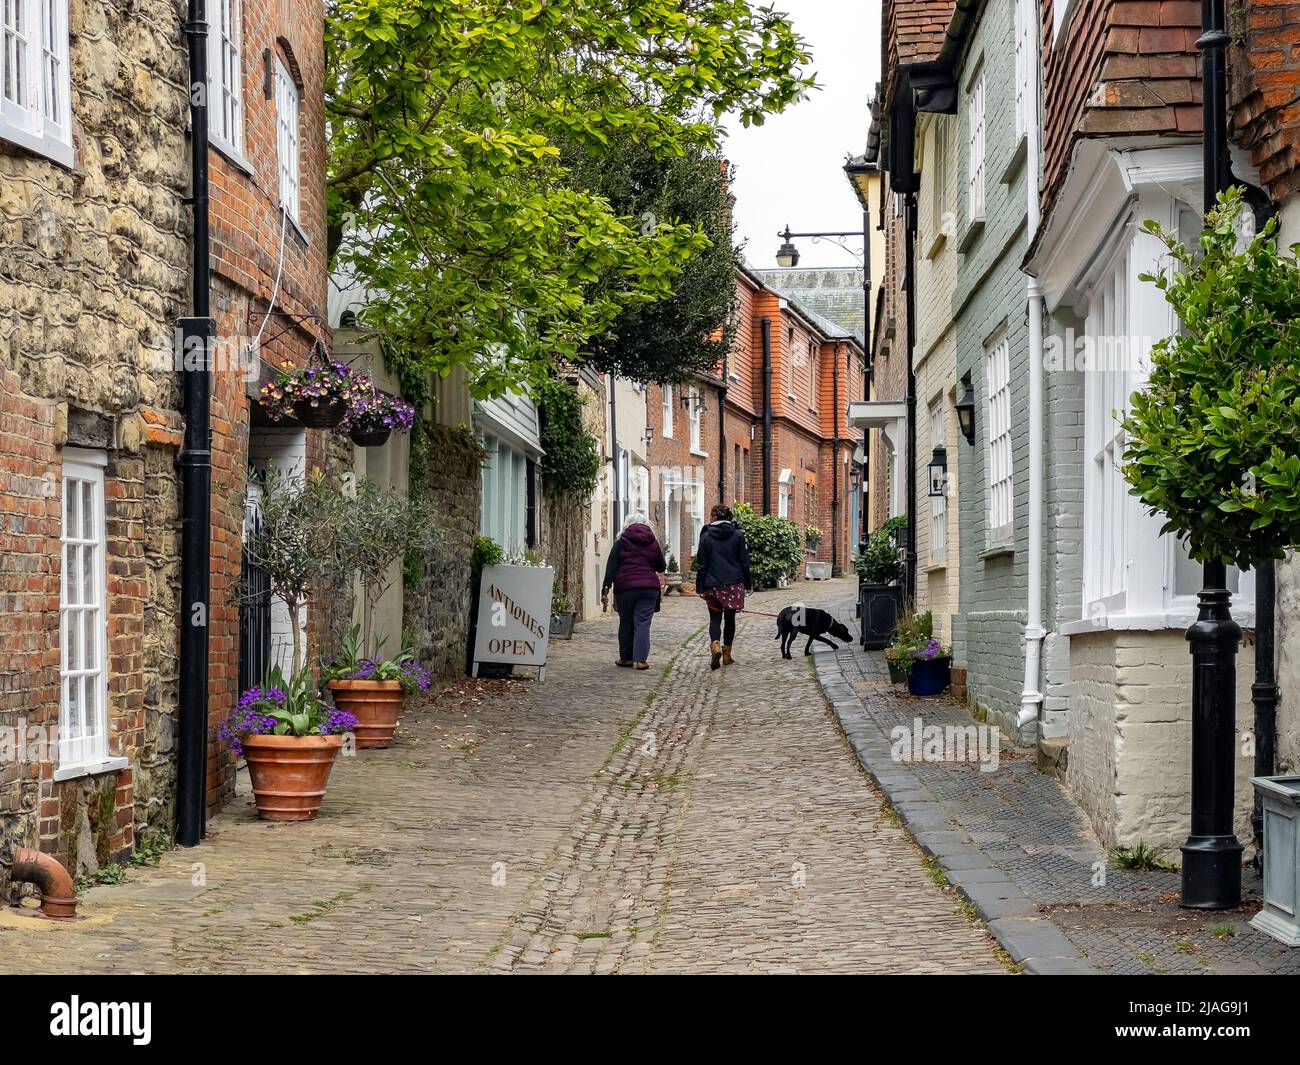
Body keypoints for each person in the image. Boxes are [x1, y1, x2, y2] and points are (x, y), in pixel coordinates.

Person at [601, 514, 666, 670]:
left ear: (627, 525)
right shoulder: (653, 543)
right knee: (642, 623)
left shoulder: (621, 543)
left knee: (626, 622)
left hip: (625, 589)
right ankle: (641, 660)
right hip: (648, 589)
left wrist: (606, 587)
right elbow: (661, 567)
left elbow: (611, 566)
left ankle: (626, 658)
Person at [694, 504, 753, 671]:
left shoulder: (705, 536)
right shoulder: (738, 535)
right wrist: (748, 584)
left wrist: (700, 586)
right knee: (730, 619)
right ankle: (727, 655)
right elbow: (744, 562)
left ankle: (715, 646)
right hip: (733, 584)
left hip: (712, 584)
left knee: (714, 618)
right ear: (730, 517)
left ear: (713, 516)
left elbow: (702, 564)